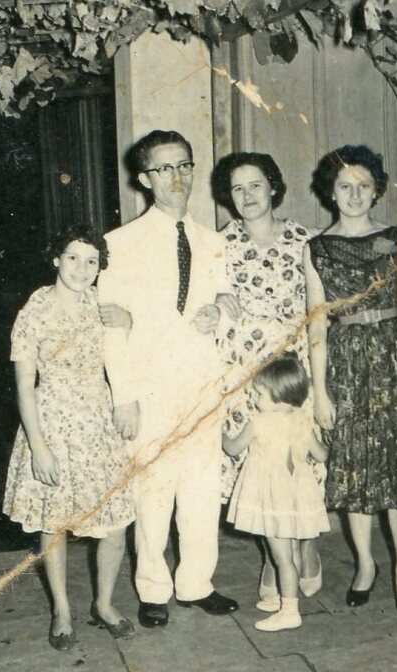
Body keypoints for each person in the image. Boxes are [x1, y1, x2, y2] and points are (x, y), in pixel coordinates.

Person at [98, 129, 239, 628]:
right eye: (164, 168)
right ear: (144, 179)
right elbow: (112, 328)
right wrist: (124, 397)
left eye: (184, 166)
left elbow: (228, 302)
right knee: (153, 492)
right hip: (150, 387)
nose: (177, 177)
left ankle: (197, 583)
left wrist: (220, 313)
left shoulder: (213, 241)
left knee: (201, 488)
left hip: (200, 384)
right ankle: (153, 589)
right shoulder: (119, 244)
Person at [304, 144, 397, 617]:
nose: (354, 194)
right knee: (355, 470)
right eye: (345, 186)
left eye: (363, 186)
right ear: (330, 192)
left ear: (376, 190)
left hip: (393, 362)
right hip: (346, 366)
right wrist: (320, 393)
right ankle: (365, 564)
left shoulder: (395, 239)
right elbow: (316, 327)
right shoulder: (316, 250)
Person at [3, 225, 135, 650]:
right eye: (73, 258)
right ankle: (61, 609)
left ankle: (104, 603)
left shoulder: (103, 304)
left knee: (115, 523)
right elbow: (24, 385)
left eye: (92, 261)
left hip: (99, 423)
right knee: (55, 522)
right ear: (56, 259)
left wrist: (130, 321)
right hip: (53, 424)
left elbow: (130, 353)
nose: (82, 268)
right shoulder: (35, 310)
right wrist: (38, 445)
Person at [211, 152, 325, 611]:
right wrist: (215, 299)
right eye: (237, 189)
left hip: (294, 371)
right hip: (243, 375)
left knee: (302, 460)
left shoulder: (304, 240)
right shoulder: (219, 243)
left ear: (273, 187)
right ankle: (273, 559)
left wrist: (322, 378)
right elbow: (203, 299)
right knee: (258, 469)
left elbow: (320, 312)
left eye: (255, 185)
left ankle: (307, 547)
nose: (247, 196)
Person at [225, 357, 330, 631]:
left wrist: (220, 434)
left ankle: (290, 611)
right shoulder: (303, 420)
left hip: (272, 498)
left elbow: (233, 448)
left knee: (283, 559)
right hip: (296, 496)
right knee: (290, 551)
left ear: (280, 399)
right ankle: (283, 598)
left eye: (260, 394)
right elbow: (321, 455)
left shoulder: (259, 422)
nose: (254, 397)